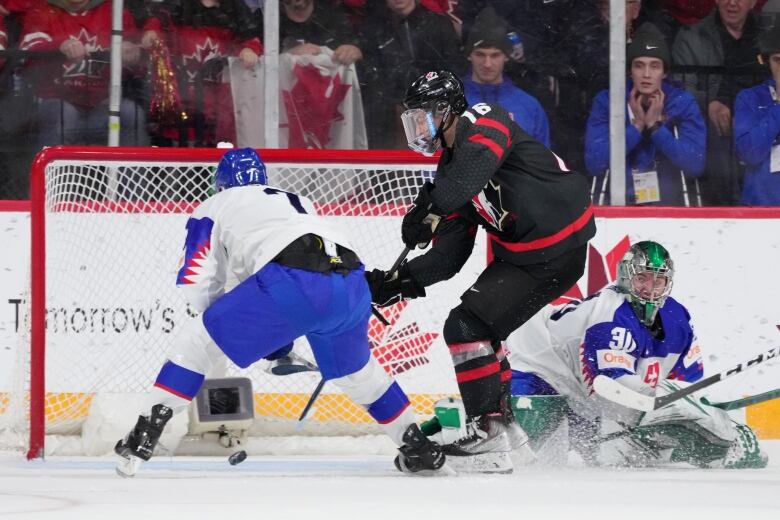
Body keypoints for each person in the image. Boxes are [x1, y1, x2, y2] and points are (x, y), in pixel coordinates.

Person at [114, 148, 446, 477]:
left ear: (220, 184)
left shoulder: (215, 204)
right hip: (352, 284)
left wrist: (219, 326)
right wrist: (270, 333)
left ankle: (145, 431)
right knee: (357, 374)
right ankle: (417, 445)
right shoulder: (296, 200)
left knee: (196, 345)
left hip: (293, 283)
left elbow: (197, 277)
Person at [365, 70, 596, 473]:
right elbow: (449, 257)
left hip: (556, 247)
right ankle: (505, 433)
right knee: (476, 329)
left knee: (466, 327)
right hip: (527, 256)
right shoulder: (449, 175)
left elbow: (471, 174)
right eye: (412, 120)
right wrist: (400, 282)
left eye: (423, 117)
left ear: (448, 111)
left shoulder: (487, 120)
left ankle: (490, 434)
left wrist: (429, 208)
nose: (418, 128)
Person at [497, 240, 767, 468]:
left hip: (582, 386)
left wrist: (715, 421)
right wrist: (673, 410)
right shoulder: (611, 316)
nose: (650, 288)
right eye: (642, 279)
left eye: (658, 280)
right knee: (520, 458)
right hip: (538, 363)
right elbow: (609, 389)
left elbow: (687, 384)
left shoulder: (678, 318)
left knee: (608, 457)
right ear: (626, 277)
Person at [584, 23, 706, 205]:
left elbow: (695, 166)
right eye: (639, 66)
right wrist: (637, 127)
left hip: (668, 206)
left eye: (655, 66)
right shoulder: (608, 101)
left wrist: (656, 129)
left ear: (664, 73)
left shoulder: (682, 102)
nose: (646, 74)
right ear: (630, 71)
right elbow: (594, 163)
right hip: (618, 203)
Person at [19, 0, 148, 147]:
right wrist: (60, 45)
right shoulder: (42, 9)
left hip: (103, 107)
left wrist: (132, 57)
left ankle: (122, 170)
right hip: (56, 103)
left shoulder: (114, 10)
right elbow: (29, 51)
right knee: (63, 115)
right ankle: (57, 169)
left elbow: (140, 66)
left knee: (130, 113)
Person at [672, 0, 761, 205]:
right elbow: (679, 89)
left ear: (753, 2)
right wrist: (709, 104)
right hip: (711, 131)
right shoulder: (691, 37)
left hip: (758, 124)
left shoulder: (769, 34)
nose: (732, 3)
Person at [141, 0, 262, 146]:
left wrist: (250, 48)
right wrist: (152, 30)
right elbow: (158, 18)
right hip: (181, 96)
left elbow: (250, 36)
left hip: (220, 102)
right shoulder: (177, 5)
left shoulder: (236, 8)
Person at [360, 0, 463, 148]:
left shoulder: (439, 25)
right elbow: (370, 75)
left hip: (434, 110)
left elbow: (452, 69)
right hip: (387, 119)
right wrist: (397, 104)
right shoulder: (372, 28)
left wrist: (432, 106)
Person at [461, 7, 551, 147]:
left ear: (506, 57)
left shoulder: (530, 107)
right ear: (469, 55)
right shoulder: (447, 106)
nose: (487, 64)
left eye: (495, 55)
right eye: (480, 54)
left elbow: (542, 164)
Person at [733, 23, 780, 205]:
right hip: (760, 208)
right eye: (778, 60)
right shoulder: (750, 98)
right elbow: (749, 154)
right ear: (767, 62)